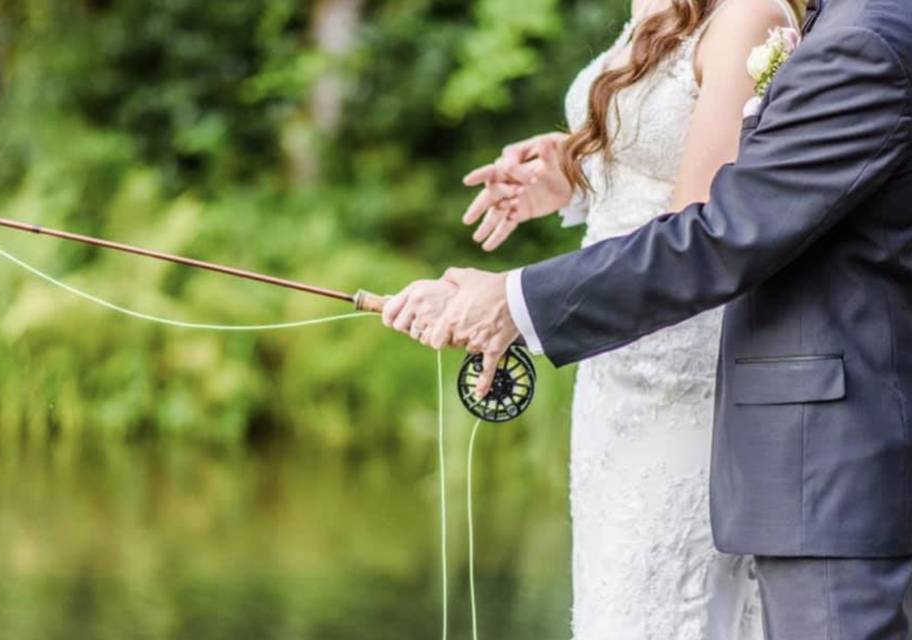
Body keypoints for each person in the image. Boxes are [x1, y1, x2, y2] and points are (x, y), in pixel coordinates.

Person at [390, 0, 912, 637]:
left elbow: (722, 231)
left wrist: (516, 300)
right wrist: (579, 168)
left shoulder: (857, 34)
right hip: (641, 391)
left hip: (774, 420)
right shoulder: (841, 20)